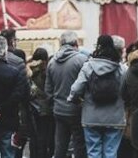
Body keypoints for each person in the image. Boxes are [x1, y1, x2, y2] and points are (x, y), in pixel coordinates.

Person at [68, 35, 126, 158]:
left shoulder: (88, 66)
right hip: (115, 117)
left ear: (98, 46)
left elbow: (76, 88)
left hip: (91, 117)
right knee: (111, 153)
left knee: (93, 153)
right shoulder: (122, 68)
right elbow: (128, 90)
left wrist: (73, 99)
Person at [45, 30, 88, 158]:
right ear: (75, 43)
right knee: (79, 145)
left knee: (60, 145)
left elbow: (48, 90)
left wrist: (54, 104)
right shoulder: (82, 60)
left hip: (59, 110)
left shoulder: (52, 62)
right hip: (77, 110)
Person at [27, 48, 54, 158]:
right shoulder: (49, 71)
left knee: (35, 136)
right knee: (48, 135)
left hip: (34, 107)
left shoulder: (30, 71)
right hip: (47, 108)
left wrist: (29, 61)